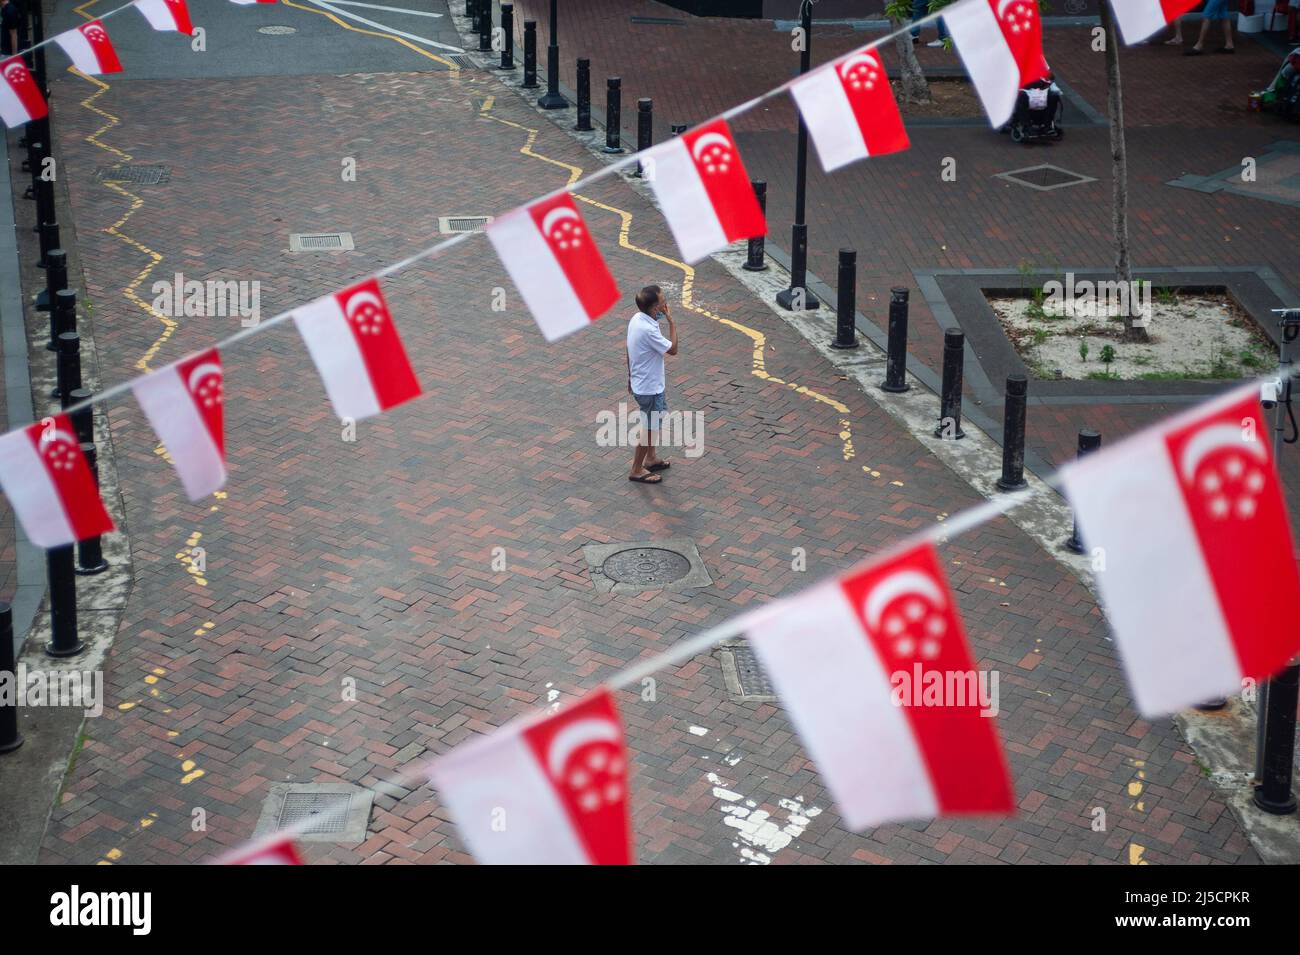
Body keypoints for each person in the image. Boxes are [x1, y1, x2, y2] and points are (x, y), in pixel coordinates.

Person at [625, 285, 678, 485]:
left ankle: (651, 458)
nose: (666, 303)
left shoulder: (636, 319)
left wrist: (630, 376)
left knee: (657, 418)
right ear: (655, 309)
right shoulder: (649, 330)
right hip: (650, 388)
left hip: (644, 382)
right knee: (649, 427)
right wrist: (672, 323)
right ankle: (637, 469)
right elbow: (673, 349)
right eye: (663, 301)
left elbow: (627, 346)